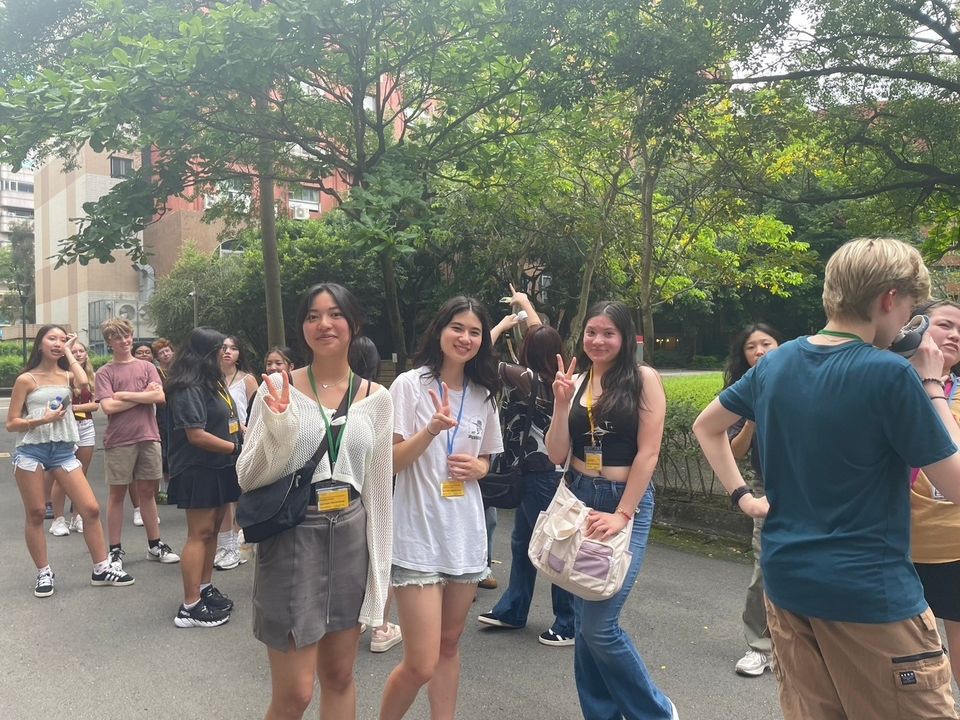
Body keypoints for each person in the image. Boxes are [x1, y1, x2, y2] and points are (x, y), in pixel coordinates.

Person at [693, 237, 960, 719]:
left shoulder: (776, 362)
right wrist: (932, 384)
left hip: (788, 586)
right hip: (870, 597)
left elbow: (705, 427)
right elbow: (956, 485)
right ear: (888, 299)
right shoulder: (889, 374)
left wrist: (744, 498)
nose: (907, 323)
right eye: (909, 310)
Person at [237, 283, 393, 720]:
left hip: (350, 535)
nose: (324, 324)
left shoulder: (377, 399)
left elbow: (379, 489)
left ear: (354, 323)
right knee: (296, 693)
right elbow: (247, 476)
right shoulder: (276, 389)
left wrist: (381, 572)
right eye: (312, 316)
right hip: (292, 533)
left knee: (341, 678)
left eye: (335, 314)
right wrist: (282, 424)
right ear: (302, 327)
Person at [544, 301, 678, 720]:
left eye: (608, 333)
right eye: (591, 332)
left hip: (624, 503)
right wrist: (561, 404)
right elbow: (556, 454)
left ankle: (656, 712)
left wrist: (622, 513)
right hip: (579, 498)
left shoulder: (643, 379)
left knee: (600, 626)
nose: (598, 340)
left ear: (625, 338)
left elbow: (649, 452)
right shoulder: (577, 380)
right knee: (585, 626)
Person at [380, 296, 504, 720]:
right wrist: (431, 430)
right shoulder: (410, 385)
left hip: (464, 536)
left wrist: (479, 467)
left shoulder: (484, 394)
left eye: (474, 331)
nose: (465, 338)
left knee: (449, 645)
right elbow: (392, 462)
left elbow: (488, 459)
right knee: (420, 662)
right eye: (457, 327)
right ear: (439, 331)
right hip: (417, 535)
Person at [6, 325, 134, 597]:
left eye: (62, 340)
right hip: (31, 450)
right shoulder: (26, 379)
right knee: (37, 513)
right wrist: (42, 419)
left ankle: (101, 568)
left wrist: (69, 351)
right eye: (51, 339)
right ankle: (44, 572)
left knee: (90, 509)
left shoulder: (67, 375)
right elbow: (12, 423)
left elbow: (85, 383)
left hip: (63, 449)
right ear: (40, 343)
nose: (57, 343)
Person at [478, 304, 577, 647]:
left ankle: (568, 621)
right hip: (552, 473)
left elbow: (479, 354)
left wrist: (504, 323)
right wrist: (526, 303)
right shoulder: (561, 381)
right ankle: (514, 609)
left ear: (527, 352)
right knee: (527, 543)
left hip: (539, 475)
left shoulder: (524, 378)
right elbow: (543, 336)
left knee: (549, 547)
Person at [165, 327, 240, 628]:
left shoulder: (212, 382)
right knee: (199, 534)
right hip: (198, 468)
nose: (225, 353)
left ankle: (204, 588)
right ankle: (189, 607)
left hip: (221, 465)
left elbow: (228, 421)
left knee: (212, 531)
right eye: (218, 349)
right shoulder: (187, 386)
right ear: (203, 353)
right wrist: (238, 449)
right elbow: (196, 435)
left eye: (227, 347)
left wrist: (248, 436)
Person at [96, 317, 180, 569]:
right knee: (117, 495)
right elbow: (108, 406)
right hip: (119, 440)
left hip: (149, 436)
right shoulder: (105, 372)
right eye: (117, 337)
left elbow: (160, 396)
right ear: (109, 341)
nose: (124, 341)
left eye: (127, 335)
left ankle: (155, 545)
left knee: (147, 493)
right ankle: (114, 551)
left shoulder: (147, 367)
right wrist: (143, 397)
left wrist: (124, 395)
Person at [722, 323, 781, 677]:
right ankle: (759, 647)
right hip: (764, 485)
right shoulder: (739, 392)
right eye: (751, 347)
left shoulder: (798, 381)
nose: (759, 351)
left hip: (806, 483)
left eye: (766, 344)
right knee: (764, 567)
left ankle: (798, 644)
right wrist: (752, 420)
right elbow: (733, 451)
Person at [910, 299, 960, 687]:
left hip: (953, 546)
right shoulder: (888, 381)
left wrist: (933, 387)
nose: (955, 335)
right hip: (894, 546)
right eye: (945, 325)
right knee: (911, 662)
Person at [348, 335, 402, 654]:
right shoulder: (378, 398)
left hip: (340, 498)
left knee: (350, 560)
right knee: (380, 552)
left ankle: (355, 621)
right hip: (375, 489)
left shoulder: (327, 399)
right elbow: (386, 458)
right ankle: (381, 625)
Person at [48, 339, 99, 536]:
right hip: (65, 427)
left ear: (86, 354)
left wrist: (74, 408)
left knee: (81, 473)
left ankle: (77, 517)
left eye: (81, 351)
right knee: (62, 475)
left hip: (85, 425)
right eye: (74, 351)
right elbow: (56, 404)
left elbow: (95, 405)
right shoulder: (63, 375)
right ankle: (58, 519)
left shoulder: (92, 376)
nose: (78, 354)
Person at [215, 334, 258, 570]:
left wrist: (247, 429)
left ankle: (242, 542)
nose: (228, 352)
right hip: (218, 441)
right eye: (223, 347)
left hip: (244, 441)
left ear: (240, 354)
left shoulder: (248, 380)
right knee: (225, 495)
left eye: (233, 348)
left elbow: (260, 411)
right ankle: (226, 544)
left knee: (242, 493)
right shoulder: (211, 380)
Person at [152, 338, 175, 505]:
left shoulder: (179, 370)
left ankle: (175, 487)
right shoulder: (156, 372)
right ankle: (164, 489)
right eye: (162, 353)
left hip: (178, 413)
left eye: (168, 350)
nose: (166, 354)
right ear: (157, 357)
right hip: (161, 414)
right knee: (163, 451)